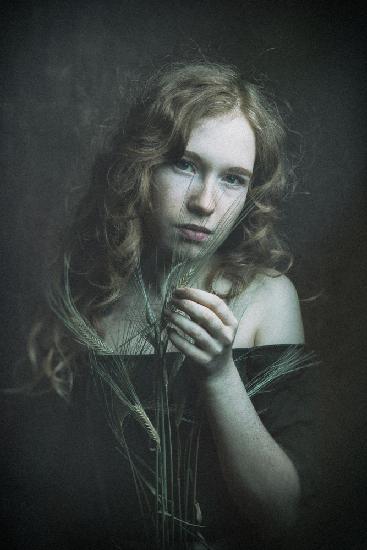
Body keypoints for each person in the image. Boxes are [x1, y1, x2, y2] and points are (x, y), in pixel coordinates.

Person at [2, 62, 319, 550]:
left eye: (233, 179)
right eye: (185, 164)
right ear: (141, 165)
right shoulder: (85, 294)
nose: (206, 202)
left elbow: (278, 513)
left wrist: (218, 374)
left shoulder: (266, 298)